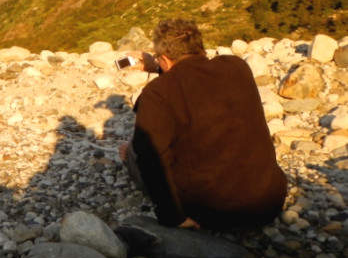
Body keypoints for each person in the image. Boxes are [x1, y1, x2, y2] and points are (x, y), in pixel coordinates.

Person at [119, 18, 287, 230]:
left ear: (164, 59)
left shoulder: (157, 93)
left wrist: (174, 218)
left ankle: (128, 158)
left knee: (137, 148)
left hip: (212, 213)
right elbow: (191, 80)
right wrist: (157, 66)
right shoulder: (237, 66)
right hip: (268, 204)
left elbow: (151, 157)